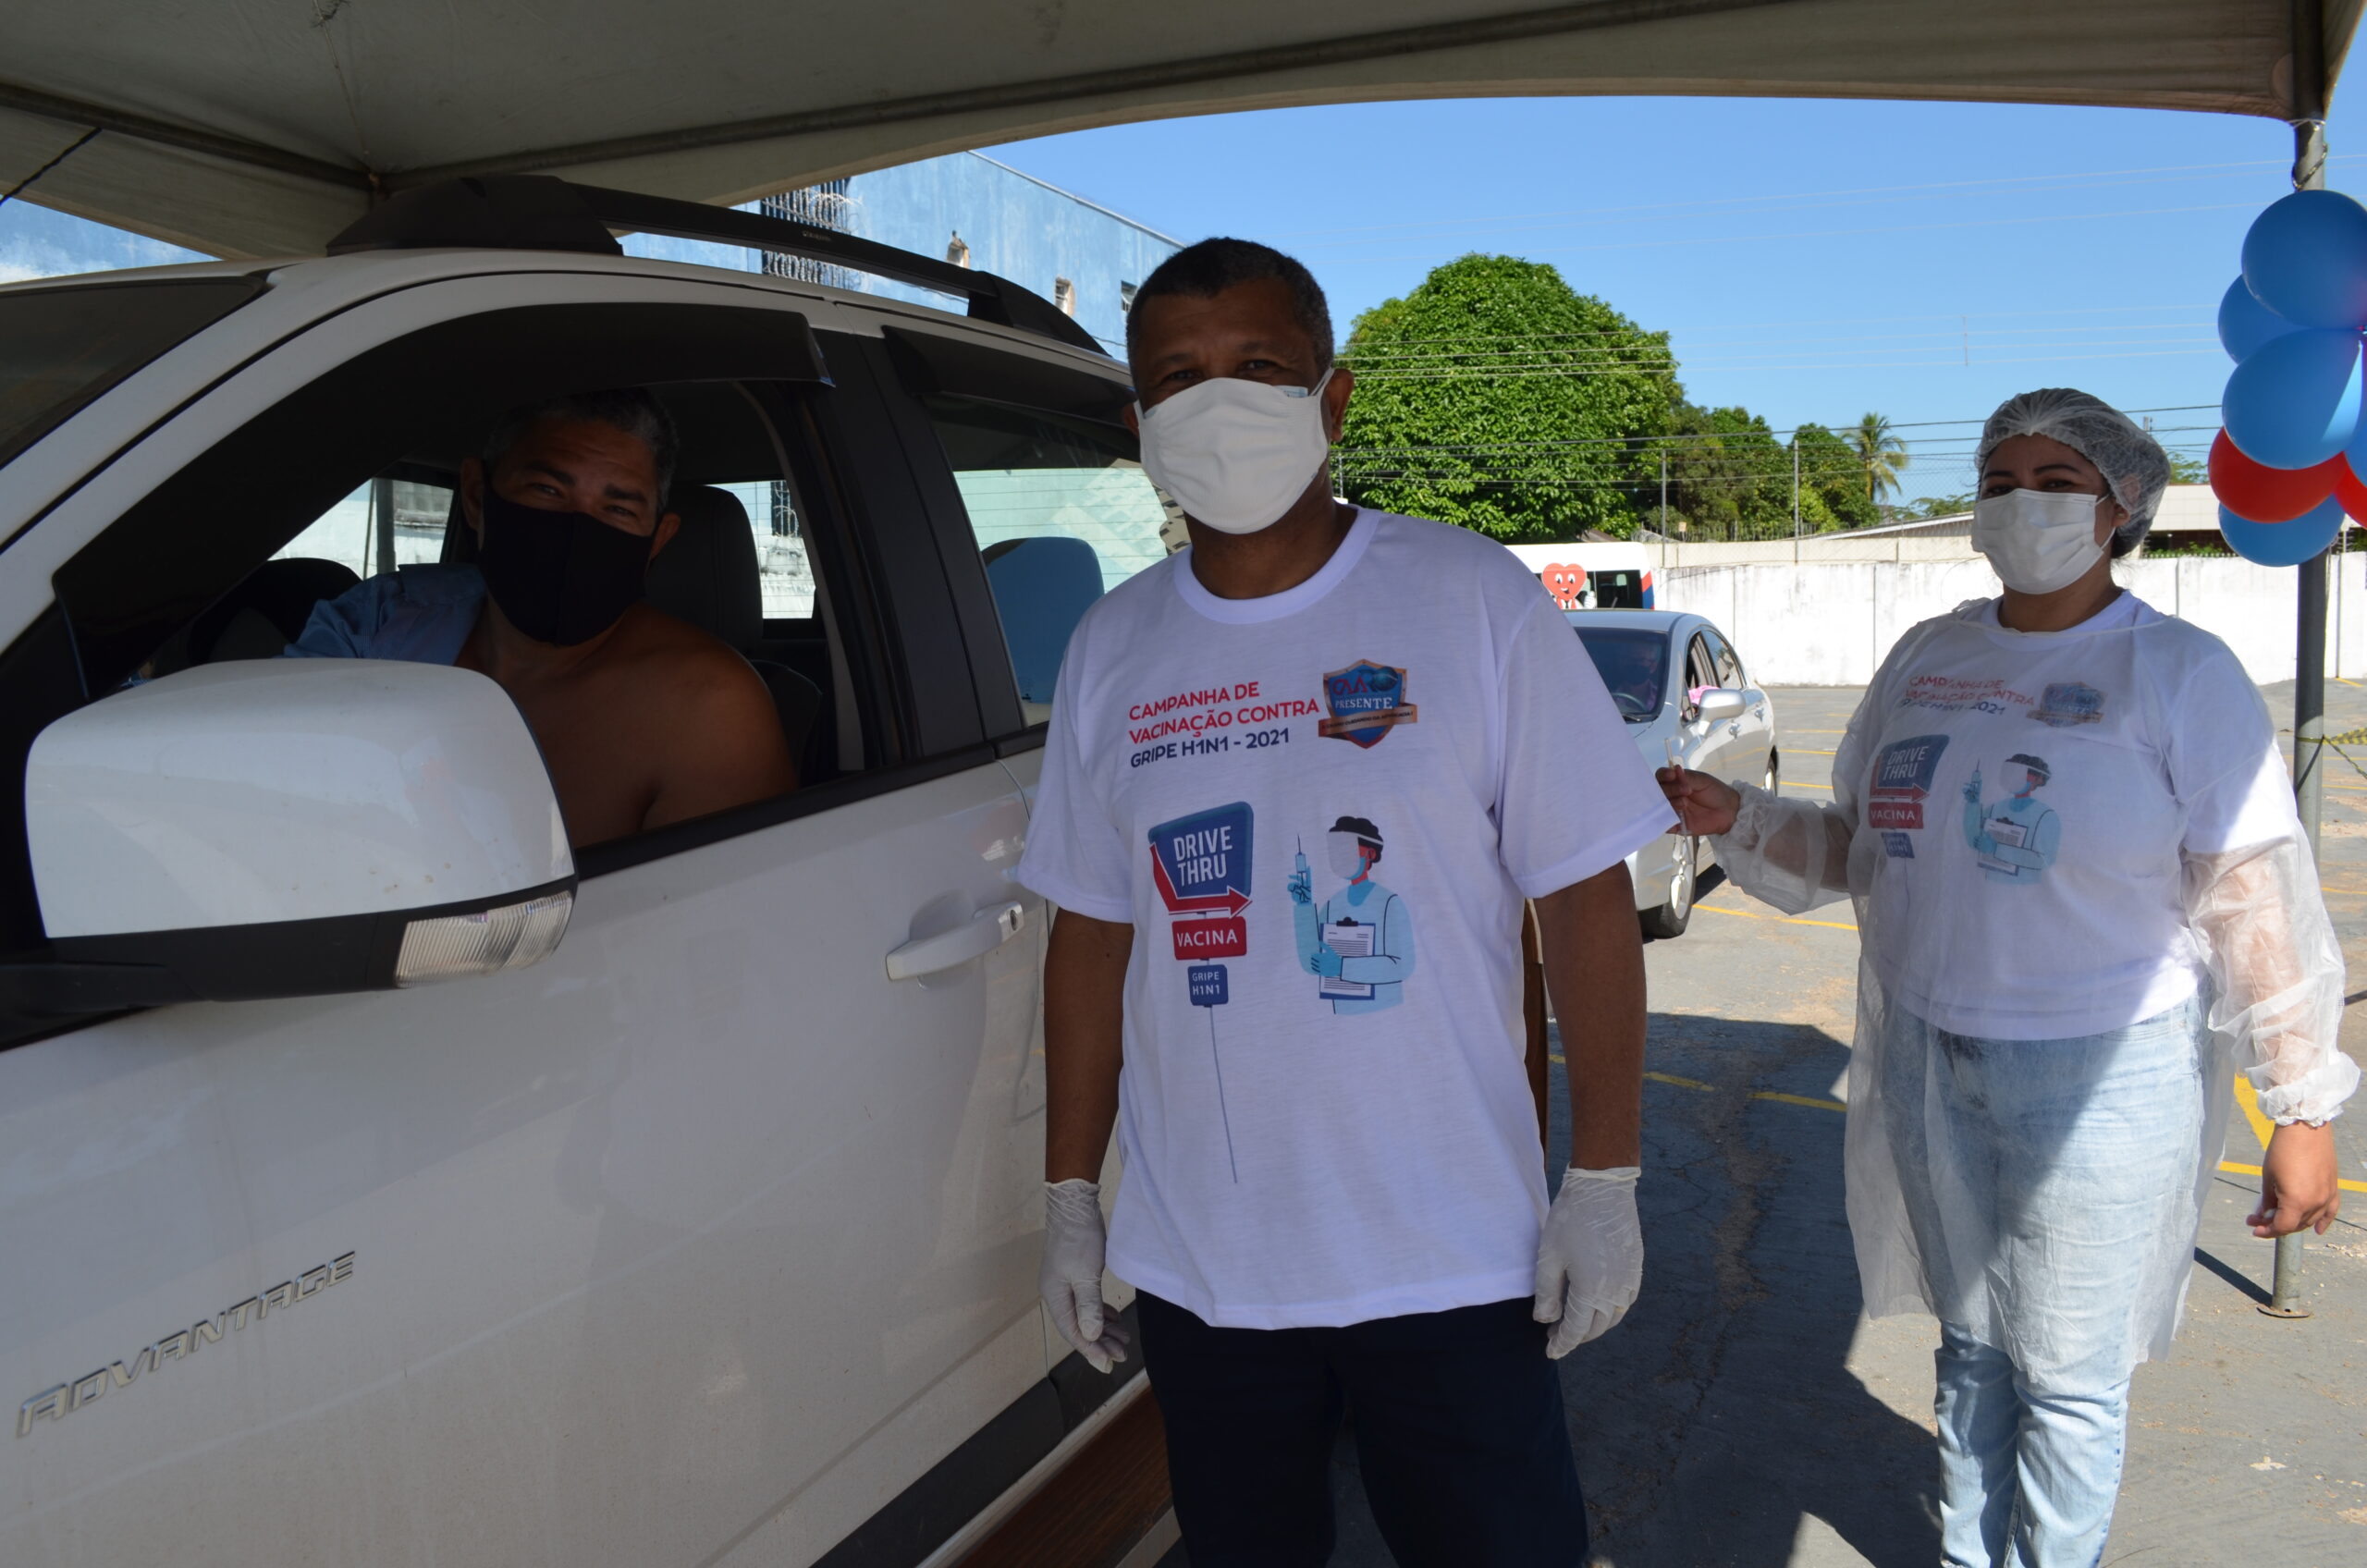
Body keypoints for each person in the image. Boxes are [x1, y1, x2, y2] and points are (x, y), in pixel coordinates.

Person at [1019, 238, 1675, 1567]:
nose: (1216, 403)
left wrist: (1604, 1177)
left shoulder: (1469, 599)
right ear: (1139, 426)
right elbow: (1092, 934)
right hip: (1210, 1265)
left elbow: (1582, 898)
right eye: (1178, 379)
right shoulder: (1113, 647)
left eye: (1257, 367)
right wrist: (1072, 1194)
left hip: (1449, 1255)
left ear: (1333, 398)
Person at [1658, 388, 2357, 1568]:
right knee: (1973, 1348)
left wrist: (2300, 1106)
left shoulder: (2175, 672)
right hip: (1929, 1050)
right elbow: (1861, 848)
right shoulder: (1930, 658)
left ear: (2121, 506)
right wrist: (1740, 817)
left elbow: (2254, 898)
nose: (2019, 503)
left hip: (2104, 1071)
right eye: (1998, 481)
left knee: (2070, 1376)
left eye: (2055, 483)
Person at [288, 389, 796, 845]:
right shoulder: (379, 624)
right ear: (477, 497)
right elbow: (278, 793)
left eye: (618, 510)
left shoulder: (707, 710)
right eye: (547, 490)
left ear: (656, 541)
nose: (576, 532)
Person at [1288, 815, 1416, 1014]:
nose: (1341, 856)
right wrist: (1304, 906)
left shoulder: (1389, 903)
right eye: (1335, 850)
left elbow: (1402, 966)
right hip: (1342, 1015)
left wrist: (1342, 967)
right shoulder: (1332, 905)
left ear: (1370, 854)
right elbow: (1312, 963)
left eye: (1347, 849)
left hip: (1386, 1018)